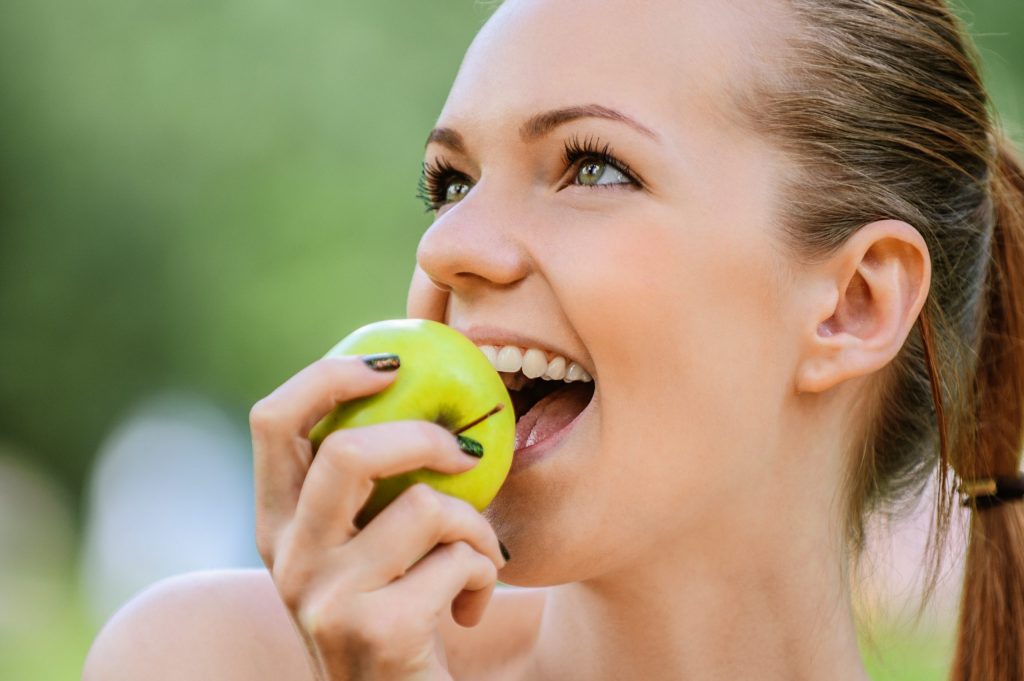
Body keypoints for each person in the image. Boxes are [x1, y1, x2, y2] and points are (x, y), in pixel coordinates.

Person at [82, 0, 1024, 679]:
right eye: (449, 183)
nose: (447, 246)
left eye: (593, 167)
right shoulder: (212, 659)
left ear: (854, 302)